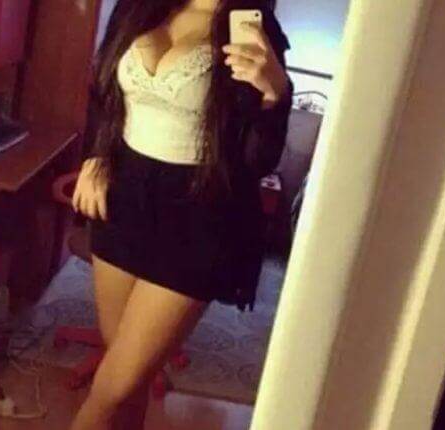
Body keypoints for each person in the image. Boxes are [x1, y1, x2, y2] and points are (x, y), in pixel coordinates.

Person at [70, 0, 292, 428]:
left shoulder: (254, 29)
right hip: (122, 203)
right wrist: (96, 156)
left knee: (111, 386)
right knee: (128, 377)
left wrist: (274, 97)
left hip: (197, 219)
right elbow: (104, 92)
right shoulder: (137, 7)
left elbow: (259, 160)